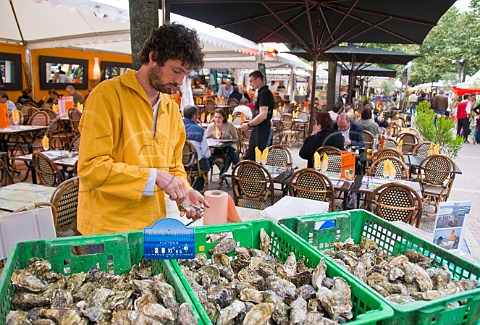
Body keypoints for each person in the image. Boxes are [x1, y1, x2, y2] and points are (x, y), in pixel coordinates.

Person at [77, 23, 208, 235]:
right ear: (153, 56)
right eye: (176, 71)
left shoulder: (171, 108)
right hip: (106, 228)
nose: (180, 81)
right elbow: (91, 168)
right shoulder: (106, 96)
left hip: (154, 225)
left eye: (186, 74)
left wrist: (185, 191)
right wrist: (154, 176)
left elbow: (174, 167)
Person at [240, 71, 274, 160]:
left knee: (256, 158)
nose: (250, 84)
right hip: (260, 129)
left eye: (251, 81)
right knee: (252, 157)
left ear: (258, 80)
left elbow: (263, 114)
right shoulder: (263, 92)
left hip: (262, 131)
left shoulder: (264, 93)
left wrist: (248, 125)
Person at [183, 105, 211, 191]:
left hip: (179, 163)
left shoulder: (177, 126)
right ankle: (196, 189)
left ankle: (188, 185)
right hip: (194, 165)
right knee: (206, 163)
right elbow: (206, 154)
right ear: (194, 116)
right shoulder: (200, 130)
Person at [206, 108, 239, 175]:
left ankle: (236, 166)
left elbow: (235, 139)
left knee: (230, 152)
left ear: (223, 117)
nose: (217, 119)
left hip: (228, 146)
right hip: (215, 148)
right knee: (229, 157)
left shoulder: (230, 125)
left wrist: (229, 142)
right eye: (215, 117)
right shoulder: (211, 126)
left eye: (219, 117)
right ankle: (226, 171)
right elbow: (206, 138)